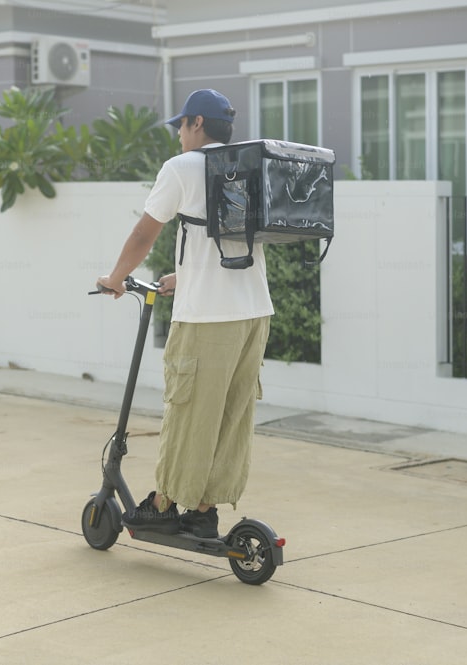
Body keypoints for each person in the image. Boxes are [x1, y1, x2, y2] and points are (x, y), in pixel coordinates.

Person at [96, 89, 273, 539]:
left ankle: (164, 502)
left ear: (197, 123)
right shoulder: (246, 168)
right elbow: (227, 242)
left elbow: (145, 232)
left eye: (181, 125)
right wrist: (183, 276)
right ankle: (204, 509)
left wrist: (117, 277)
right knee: (231, 415)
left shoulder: (182, 168)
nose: (178, 133)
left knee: (190, 409)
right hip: (254, 313)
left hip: (207, 319)